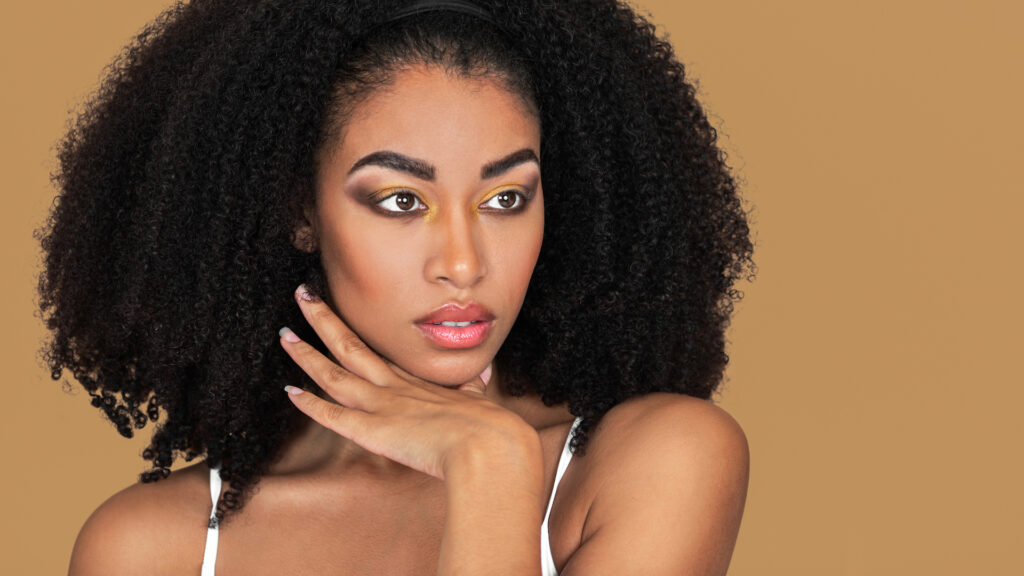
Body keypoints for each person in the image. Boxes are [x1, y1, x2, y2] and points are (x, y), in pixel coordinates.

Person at [38, 0, 755, 574]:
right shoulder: (152, 548)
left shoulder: (657, 464)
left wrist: (491, 474)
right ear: (300, 213)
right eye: (402, 200)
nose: (463, 264)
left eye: (505, 199)